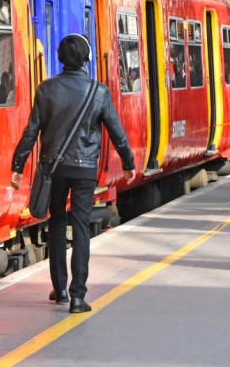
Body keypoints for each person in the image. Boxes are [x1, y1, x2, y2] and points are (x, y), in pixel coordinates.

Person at [10, 34, 136, 312]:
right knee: (80, 226)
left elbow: (31, 131)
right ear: (87, 59)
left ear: (59, 58)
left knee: (56, 222)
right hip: (85, 169)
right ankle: (78, 296)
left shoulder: (46, 89)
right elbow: (117, 131)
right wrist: (128, 162)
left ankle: (61, 289)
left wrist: (18, 165)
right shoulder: (98, 91)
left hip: (54, 169)